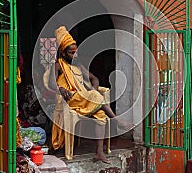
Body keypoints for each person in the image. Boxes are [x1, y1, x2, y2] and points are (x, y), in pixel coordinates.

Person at [49, 26, 133, 163]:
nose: (74, 55)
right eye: (71, 53)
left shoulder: (78, 66)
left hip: (84, 99)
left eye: (75, 52)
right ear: (63, 53)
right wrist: (60, 88)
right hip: (70, 100)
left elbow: (95, 79)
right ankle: (117, 120)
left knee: (100, 115)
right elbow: (52, 83)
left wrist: (93, 89)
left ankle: (99, 152)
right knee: (95, 97)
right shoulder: (58, 65)